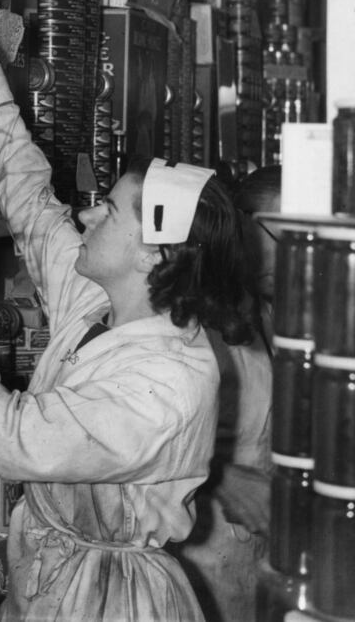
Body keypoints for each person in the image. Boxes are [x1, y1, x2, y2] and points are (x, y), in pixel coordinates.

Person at [0, 0, 261, 622]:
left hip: (112, 601)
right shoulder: (99, 306)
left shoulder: (170, 381)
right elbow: (31, 203)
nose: (87, 213)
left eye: (109, 211)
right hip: (54, 574)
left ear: (152, 257)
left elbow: (15, 437)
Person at [169, 166, 280, 622]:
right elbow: (125, 436)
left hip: (258, 555)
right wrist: (222, 476)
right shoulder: (189, 316)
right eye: (285, 234)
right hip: (196, 555)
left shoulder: (274, 311)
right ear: (242, 225)